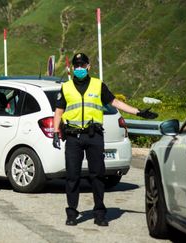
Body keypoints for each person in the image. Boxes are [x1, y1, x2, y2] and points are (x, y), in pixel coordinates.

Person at [52, 53, 158, 227]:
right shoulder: (66, 87)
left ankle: (100, 213)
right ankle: (71, 213)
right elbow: (59, 111)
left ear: (88, 66)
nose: (79, 68)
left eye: (82, 65)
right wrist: (56, 132)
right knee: (72, 176)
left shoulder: (97, 85)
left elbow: (115, 102)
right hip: (73, 137)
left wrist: (138, 112)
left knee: (97, 175)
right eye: (76, 65)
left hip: (94, 136)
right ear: (72, 68)